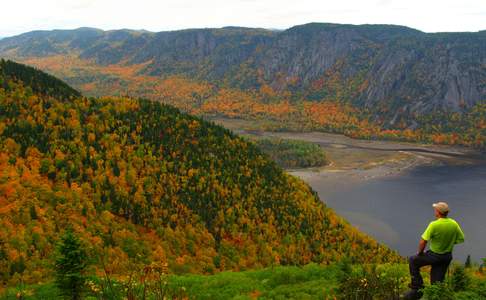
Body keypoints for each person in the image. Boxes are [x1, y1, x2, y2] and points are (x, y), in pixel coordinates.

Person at [403, 201, 465, 300]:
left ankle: (417, 287)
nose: (434, 211)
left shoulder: (434, 225)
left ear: (438, 212)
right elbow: (461, 238)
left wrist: (420, 253)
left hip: (434, 256)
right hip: (446, 257)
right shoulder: (454, 223)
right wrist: (448, 242)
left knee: (413, 260)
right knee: (436, 284)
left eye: (435, 209)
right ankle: (436, 296)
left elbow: (423, 241)